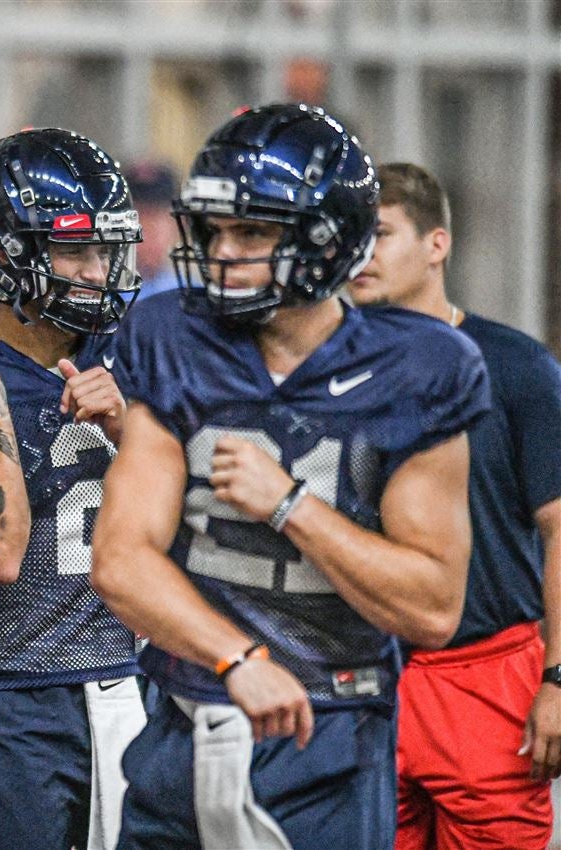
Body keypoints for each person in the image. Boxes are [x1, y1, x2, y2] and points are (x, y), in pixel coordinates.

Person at [90, 104, 491, 850]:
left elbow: (433, 607)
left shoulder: (420, 368)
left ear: (326, 240)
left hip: (329, 736)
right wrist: (235, 656)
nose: (222, 252)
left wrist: (291, 504)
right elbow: (119, 560)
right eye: (213, 230)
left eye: (253, 232)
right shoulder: (172, 336)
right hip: (186, 717)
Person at [0, 128, 147, 850]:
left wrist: (135, 429)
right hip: (10, 695)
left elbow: (205, 527)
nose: (97, 270)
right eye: (74, 249)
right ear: (5, 255)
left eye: (105, 249)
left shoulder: (143, 362)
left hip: (139, 682)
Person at [349, 162, 561, 850]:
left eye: (378, 234)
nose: (360, 255)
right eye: (349, 237)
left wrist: (559, 677)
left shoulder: (518, 368)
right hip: (362, 678)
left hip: (487, 675)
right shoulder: (326, 371)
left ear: (437, 244)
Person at [123, 160, 181, 299]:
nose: (148, 228)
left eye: (157, 216)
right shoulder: (100, 294)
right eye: (139, 216)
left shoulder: (193, 297)